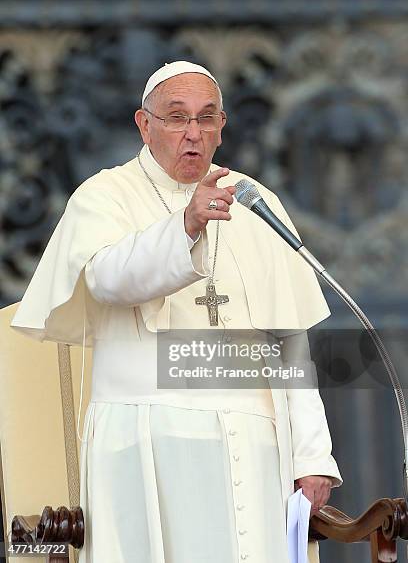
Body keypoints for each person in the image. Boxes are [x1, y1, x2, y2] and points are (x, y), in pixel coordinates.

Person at [11, 60, 342, 563]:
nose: (193, 132)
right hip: (147, 437)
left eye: (207, 118)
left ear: (223, 127)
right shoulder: (104, 195)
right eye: (176, 117)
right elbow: (109, 280)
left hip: (255, 445)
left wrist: (313, 456)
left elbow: (289, 336)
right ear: (144, 125)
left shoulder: (255, 200)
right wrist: (185, 226)